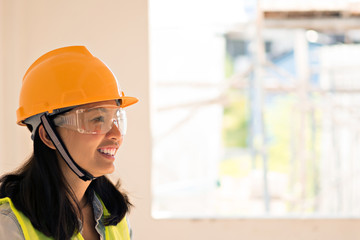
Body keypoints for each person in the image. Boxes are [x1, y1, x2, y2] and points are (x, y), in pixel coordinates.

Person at [0, 46, 138, 239]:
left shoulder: (114, 217)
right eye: (97, 119)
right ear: (48, 136)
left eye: (116, 119)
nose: (116, 134)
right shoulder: (8, 225)